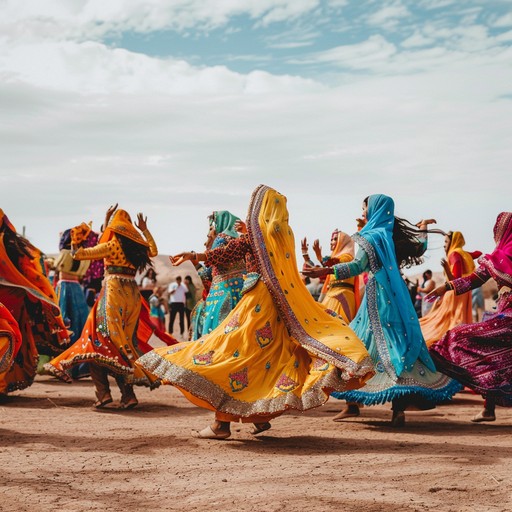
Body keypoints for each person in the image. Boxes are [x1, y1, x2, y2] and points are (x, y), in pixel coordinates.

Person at [135, 185, 374, 439]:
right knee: (263, 362)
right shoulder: (283, 234)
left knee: (230, 354)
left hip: (256, 304)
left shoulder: (256, 236)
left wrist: (196, 255)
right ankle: (255, 417)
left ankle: (221, 425)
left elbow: (230, 252)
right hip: (275, 306)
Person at [304, 195, 459, 426]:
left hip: (376, 297)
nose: (363, 212)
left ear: (374, 209)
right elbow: (421, 247)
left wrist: (325, 272)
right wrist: (424, 226)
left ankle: (352, 405)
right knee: (398, 343)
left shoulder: (370, 237)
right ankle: (398, 410)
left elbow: (357, 267)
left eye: (365, 208)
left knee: (362, 340)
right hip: (399, 298)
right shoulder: (393, 237)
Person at [45, 206, 171, 409]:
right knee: (122, 343)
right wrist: (145, 230)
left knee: (100, 342)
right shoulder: (136, 248)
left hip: (113, 294)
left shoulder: (112, 246)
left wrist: (76, 239)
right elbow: (154, 251)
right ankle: (123, 395)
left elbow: (79, 255)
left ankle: (107, 394)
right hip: (132, 296)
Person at [427, 212, 512, 423]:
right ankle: (488, 410)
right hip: (503, 314)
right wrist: (445, 287)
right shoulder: (497, 256)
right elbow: (475, 279)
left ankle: (488, 410)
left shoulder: (500, 255)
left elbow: (475, 279)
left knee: (460, 339)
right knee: (497, 361)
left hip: (508, 319)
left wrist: (445, 287)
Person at [0, 209, 69, 394]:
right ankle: (6, 382)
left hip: (5, 297)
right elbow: (31, 270)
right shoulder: (16, 244)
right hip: (16, 296)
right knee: (15, 336)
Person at [189, 210, 245, 340]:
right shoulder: (239, 240)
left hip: (223, 294)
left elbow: (207, 275)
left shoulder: (220, 239)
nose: (210, 231)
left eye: (211, 227)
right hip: (242, 293)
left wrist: (196, 263)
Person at [419, 231, 480, 346]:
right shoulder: (462, 254)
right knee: (453, 322)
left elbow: (455, 279)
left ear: (453, 242)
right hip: (464, 291)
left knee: (448, 322)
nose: (444, 245)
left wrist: (447, 268)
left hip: (455, 293)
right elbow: (478, 253)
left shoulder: (454, 254)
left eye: (446, 241)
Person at [312, 230, 357, 323]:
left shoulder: (347, 257)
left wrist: (321, 258)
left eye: (335, 239)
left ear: (343, 242)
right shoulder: (338, 258)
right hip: (331, 294)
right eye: (331, 240)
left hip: (342, 296)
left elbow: (335, 264)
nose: (332, 242)